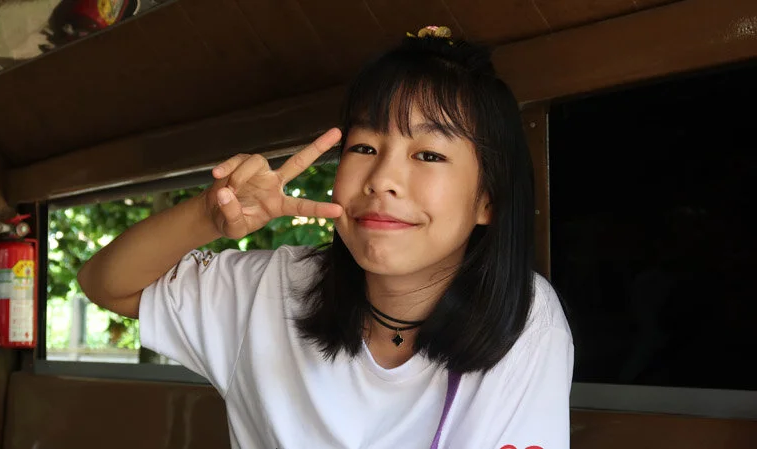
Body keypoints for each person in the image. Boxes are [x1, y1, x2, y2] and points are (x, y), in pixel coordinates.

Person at [78, 25, 574, 449]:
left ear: (487, 200)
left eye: (428, 155)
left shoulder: (524, 320)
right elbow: (106, 284)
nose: (382, 179)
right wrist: (210, 214)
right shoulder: (270, 291)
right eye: (364, 147)